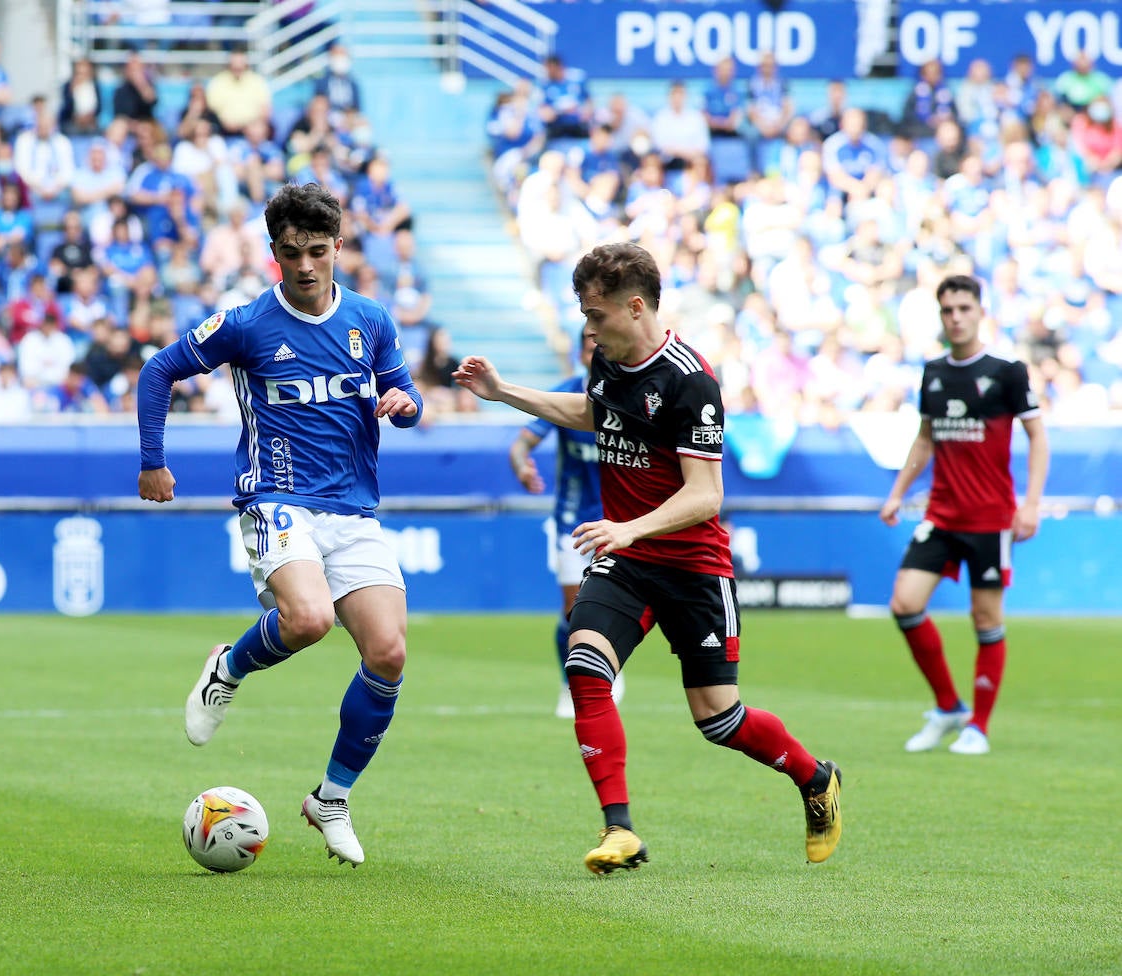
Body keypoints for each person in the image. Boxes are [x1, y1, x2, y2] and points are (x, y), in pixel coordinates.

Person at [453, 242, 842, 873]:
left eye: (597, 314)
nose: (589, 328)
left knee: (718, 720)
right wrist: (503, 393)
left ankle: (815, 778)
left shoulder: (692, 381)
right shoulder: (607, 360)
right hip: (628, 558)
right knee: (584, 663)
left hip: (692, 567)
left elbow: (706, 494)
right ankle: (620, 831)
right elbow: (594, 413)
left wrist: (630, 528)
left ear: (636, 307)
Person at [136, 182, 423, 868]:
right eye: (291, 253)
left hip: (352, 509)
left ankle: (331, 798)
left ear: (338, 248)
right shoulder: (247, 323)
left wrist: (404, 405)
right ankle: (227, 669)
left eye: (317, 251)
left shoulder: (370, 319)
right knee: (309, 619)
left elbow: (407, 394)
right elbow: (159, 370)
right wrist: (153, 460)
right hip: (277, 496)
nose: (305, 265)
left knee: (388, 653)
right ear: (274, 252)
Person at [879, 274, 1050, 756]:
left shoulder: (1008, 372)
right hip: (941, 514)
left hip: (990, 519)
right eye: (948, 310)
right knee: (905, 603)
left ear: (980, 312)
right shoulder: (933, 372)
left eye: (963, 309)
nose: (955, 318)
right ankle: (948, 706)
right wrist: (897, 493)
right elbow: (925, 438)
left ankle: (979, 726)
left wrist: (1031, 503)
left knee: (985, 617)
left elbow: (1038, 436)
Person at [508, 328, 622, 718]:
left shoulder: (631, 394)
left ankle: (608, 668)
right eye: (589, 349)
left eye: (601, 347)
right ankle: (570, 684)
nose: (596, 355)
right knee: (575, 611)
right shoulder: (566, 394)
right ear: (579, 353)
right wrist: (522, 466)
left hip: (622, 521)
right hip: (574, 521)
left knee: (619, 607)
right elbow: (522, 443)